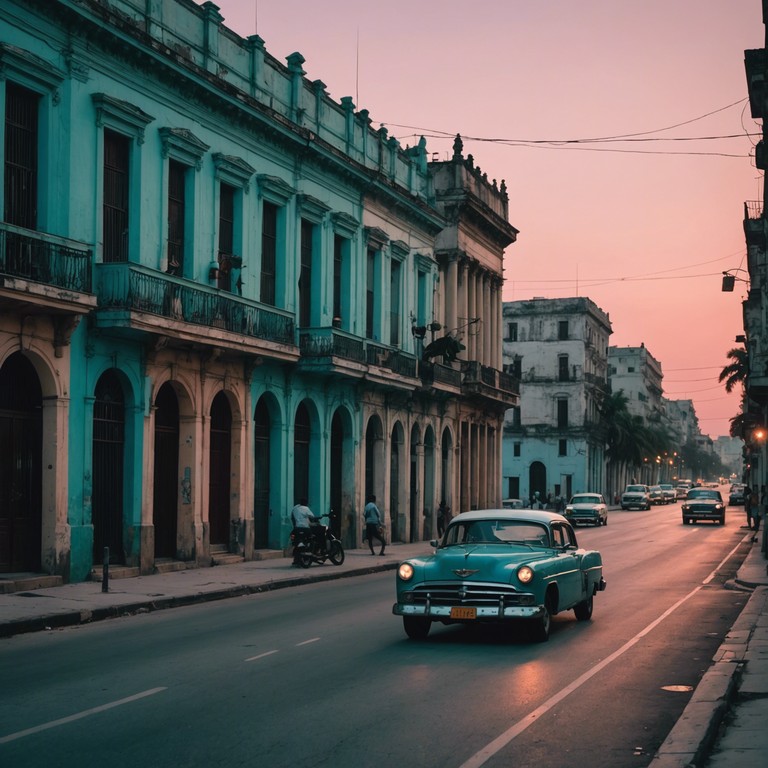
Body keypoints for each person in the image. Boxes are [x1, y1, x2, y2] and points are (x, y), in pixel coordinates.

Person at [290, 498, 318, 565]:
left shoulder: (295, 508)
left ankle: (296, 559)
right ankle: (310, 553)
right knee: (312, 539)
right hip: (305, 528)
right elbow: (312, 516)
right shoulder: (306, 508)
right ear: (306, 503)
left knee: (296, 542)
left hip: (297, 528)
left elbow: (292, 517)